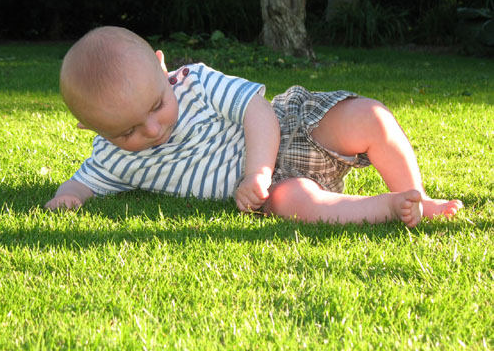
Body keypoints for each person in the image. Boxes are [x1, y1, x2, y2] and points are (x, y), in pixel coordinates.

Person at [45, 26, 463, 228]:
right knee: (297, 202)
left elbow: (256, 109)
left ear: (161, 66)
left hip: (289, 129)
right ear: (91, 128)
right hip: (272, 188)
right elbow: (83, 182)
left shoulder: (195, 83)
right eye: (127, 131)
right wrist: (67, 198)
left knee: (369, 116)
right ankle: (388, 207)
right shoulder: (114, 159)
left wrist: (257, 171)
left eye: (157, 105)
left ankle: (418, 195)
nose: (152, 129)